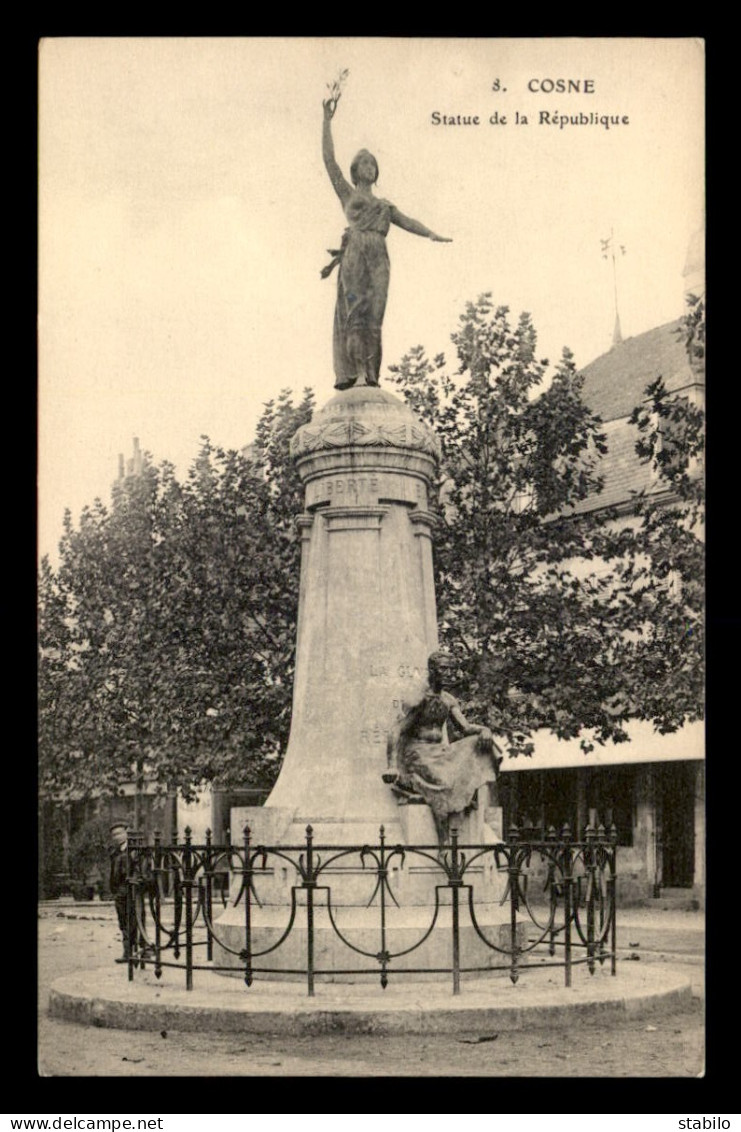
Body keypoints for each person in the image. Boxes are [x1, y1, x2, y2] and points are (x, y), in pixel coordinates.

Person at [322, 94, 451, 390]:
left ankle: (371, 373)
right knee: (356, 313)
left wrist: (431, 233)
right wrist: (326, 121)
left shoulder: (384, 205)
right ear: (356, 170)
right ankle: (353, 373)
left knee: (375, 316)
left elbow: (407, 221)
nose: (369, 166)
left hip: (379, 256)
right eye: (363, 163)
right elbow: (329, 161)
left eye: (372, 163)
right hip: (355, 252)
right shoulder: (348, 195)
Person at [383, 651, 502, 844]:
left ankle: (466, 798)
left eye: (450, 670)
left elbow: (465, 728)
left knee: (483, 745)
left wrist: (484, 729)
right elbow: (397, 730)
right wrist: (392, 765)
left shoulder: (448, 700)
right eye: (443, 669)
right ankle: (444, 832)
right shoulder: (420, 699)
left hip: (440, 752)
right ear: (432, 670)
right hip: (418, 753)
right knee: (444, 779)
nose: (448, 674)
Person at [109, 821, 135, 959]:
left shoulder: (133, 850)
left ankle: (141, 950)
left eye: (119, 833)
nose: (117, 837)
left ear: (126, 832)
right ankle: (128, 951)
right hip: (120, 891)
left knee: (134, 919)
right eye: (114, 835)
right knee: (123, 921)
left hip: (130, 890)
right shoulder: (115, 852)